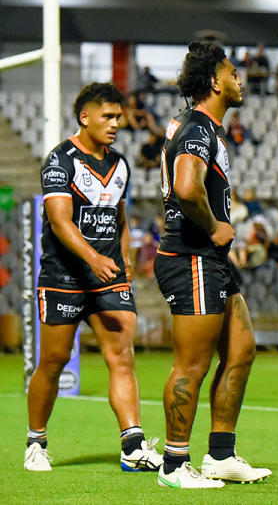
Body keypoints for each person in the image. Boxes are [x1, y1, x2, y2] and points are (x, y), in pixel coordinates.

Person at [25, 82, 163, 473]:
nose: (116, 124)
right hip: (63, 276)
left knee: (122, 357)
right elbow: (59, 220)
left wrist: (125, 258)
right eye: (108, 116)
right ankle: (36, 441)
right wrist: (92, 257)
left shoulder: (120, 163)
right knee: (52, 361)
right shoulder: (59, 161)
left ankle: (132, 445)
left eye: (118, 117)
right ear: (85, 117)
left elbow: (117, 216)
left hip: (108, 278)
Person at [154, 42, 271, 489]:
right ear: (214, 81)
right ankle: (173, 465)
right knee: (192, 365)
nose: (239, 79)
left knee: (240, 351)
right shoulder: (199, 128)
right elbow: (186, 188)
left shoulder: (205, 128)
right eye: (232, 72)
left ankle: (220, 455)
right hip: (192, 255)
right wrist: (216, 226)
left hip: (210, 259)